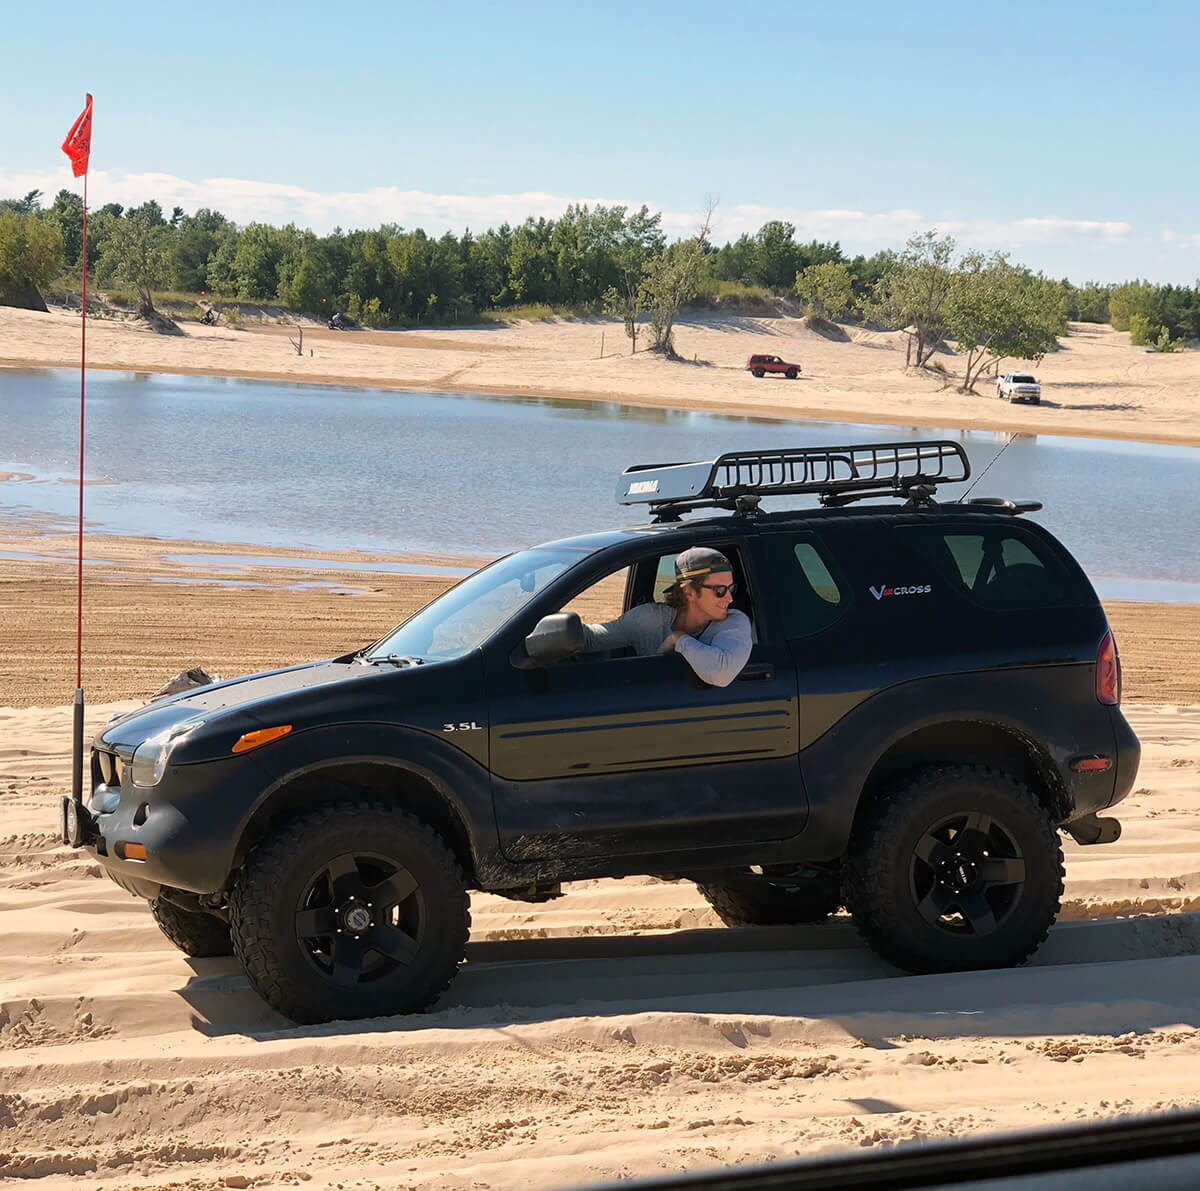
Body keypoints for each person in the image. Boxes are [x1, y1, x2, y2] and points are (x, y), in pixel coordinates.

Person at [580, 547, 753, 687]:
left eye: (731, 589)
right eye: (720, 591)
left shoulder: (733, 622)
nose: (730, 599)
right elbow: (590, 639)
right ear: (689, 592)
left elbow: (721, 674)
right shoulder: (649, 619)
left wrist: (679, 639)